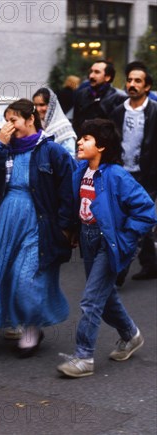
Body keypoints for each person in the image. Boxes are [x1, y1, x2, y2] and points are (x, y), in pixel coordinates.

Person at [0, 99, 76, 357]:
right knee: (2, 274)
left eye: (14, 120)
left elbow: (68, 190)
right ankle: (20, 325)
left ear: (30, 119)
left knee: (25, 277)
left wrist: (66, 227)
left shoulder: (52, 151)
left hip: (38, 220)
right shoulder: (4, 147)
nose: (9, 126)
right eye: (6, 120)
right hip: (6, 218)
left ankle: (32, 328)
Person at [57, 119, 156, 378]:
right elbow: (81, 206)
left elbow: (147, 211)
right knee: (105, 295)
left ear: (101, 146)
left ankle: (84, 356)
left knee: (91, 300)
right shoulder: (80, 171)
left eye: (86, 138)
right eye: (81, 137)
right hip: (89, 239)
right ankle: (131, 335)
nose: (80, 141)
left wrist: (126, 236)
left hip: (109, 242)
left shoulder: (117, 176)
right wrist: (76, 230)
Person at [109, 61, 157, 282]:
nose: (132, 84)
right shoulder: (118, 111)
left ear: (147, 87)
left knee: (136, 220)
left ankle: (120, 269)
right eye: (129, 80)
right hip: (123, 173)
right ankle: (151, 264)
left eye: (138, 81)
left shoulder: (155, 112)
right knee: (138, 221)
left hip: (147, 176)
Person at [72, 60, 125, 135]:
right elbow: (76, 122)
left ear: (107, 77)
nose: (91, 76)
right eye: (91, 72)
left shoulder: (118, 97)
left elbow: (118, 129)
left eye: (97, 72)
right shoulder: (81, 94)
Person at [32, 87, 77, 157]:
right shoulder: (36, 125)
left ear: (51, 106)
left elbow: (70, 157)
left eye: (42, 104)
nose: (38, 109)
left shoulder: (64, 128)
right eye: (35, 105)